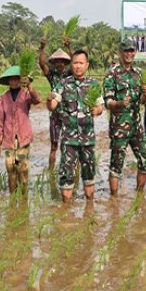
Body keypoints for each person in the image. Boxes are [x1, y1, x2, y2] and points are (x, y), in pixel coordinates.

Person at [48, 50, 105, 201]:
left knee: (89, 175)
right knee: (67, 177)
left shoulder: (93, 84)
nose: (78, 66)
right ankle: (66, 210)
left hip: (87, 139)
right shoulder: (63, 84)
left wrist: (97, 110)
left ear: (87, 65)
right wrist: (48, 101)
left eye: (81, 63)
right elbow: (53, 105)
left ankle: (89, 208)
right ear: (71, 65)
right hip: (69, 140)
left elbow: (100, 106)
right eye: (75, 63)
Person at [103, 39, 146, 194]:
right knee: (116, 165)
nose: (129, 54)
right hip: (119, 125)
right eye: (126, 51)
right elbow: (107, 102)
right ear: (120, 52)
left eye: (132, 51)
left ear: (135, 52)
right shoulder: (112, 73)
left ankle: (139, 196)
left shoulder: (138, 73)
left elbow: (142, 101)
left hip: (136, 124)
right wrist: (119, 103)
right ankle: (114, 199)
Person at [0, 64, 42, 194]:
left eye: (17, 79)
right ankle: (13, 197)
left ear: (21, 80)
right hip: (9, 141)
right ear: (8, 81)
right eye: (12, 79)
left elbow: (37, 100)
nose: (14, 82)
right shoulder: (3, 99)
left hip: (23, 140)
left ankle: (23, 198)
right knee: (11, 168)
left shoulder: (26, 95)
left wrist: (30, 86)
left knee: (22, 169)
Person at [38, 40, 73, 170]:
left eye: (61, 61)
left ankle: (68, 169)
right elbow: (42, 64)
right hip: (55, 114)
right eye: (57, 61)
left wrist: (69, 47)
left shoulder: (69, 75)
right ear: (54, 63)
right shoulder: (52, 76)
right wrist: (42, 49)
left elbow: (76, 62)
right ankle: (51, 171)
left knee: (69, 144)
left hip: (68, 114)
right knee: (54, 146)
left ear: (65, 63)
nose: (59, 63)